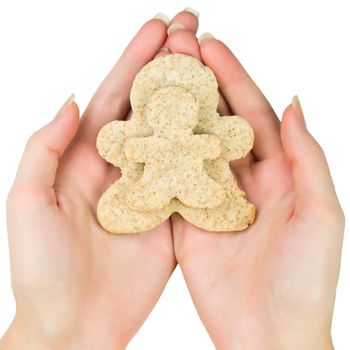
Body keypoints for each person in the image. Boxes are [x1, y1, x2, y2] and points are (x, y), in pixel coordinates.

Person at [0, 8, 344, 350]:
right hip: (153, 186)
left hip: (196, 184)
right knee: (146, 195)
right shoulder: (146, 141)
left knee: (207, 192)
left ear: (195, 114)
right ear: (152, 116)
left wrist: (48, 338)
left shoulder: (199, 138)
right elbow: (130, 147)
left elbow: (214, 142)